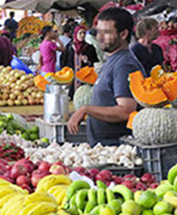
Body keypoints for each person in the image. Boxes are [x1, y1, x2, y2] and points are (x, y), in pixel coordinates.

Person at [68, 8, 144, 146]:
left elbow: (125, 111)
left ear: (123, 34)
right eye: (98, 32)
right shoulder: (113, 59)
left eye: (106, 32)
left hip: (116, 149)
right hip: (103, 146)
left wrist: (86, 109)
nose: (99, 37)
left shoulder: (124, 65)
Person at [61, 25, 99, 95]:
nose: (82, 35)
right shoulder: (69, 47)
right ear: (75, 34)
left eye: (84, 33)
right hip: (72, 80)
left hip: (85, 79)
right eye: (80, 33)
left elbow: (95, 63)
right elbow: (63, 61)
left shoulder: (90, 48)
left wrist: (87, 61)